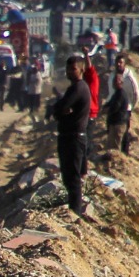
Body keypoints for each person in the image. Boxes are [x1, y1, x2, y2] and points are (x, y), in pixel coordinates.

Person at [51, 55, 92, 215]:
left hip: (73, 138)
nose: (70, 71)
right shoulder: (76, 87)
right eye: (68, 68)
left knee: (72, 178)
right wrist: (61, 111)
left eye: (73, 68)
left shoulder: (78, 88)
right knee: (69, 177)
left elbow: (60, 108)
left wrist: (62, 112)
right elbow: (59, 109)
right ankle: (74, 210)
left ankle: (75, 213)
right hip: (72, 137)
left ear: (81, 69)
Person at [106, 53, 139, 158]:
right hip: (113, 106)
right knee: (111, 131)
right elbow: (110, 92)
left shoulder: (129, 77)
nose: (118, 64)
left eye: (121, 62)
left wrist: (130, 106)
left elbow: (136, 95)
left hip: (125, 109)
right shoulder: (112, 75)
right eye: (117, 62)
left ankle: (124, 154)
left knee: (123, 133)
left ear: (125, 64)